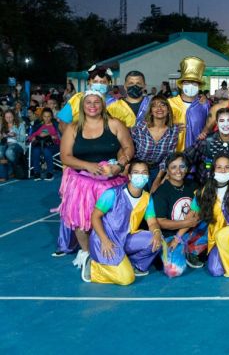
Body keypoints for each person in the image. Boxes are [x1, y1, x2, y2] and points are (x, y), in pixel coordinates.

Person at [58, 90, 135, 269]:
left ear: (102, 105)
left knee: (112, 220)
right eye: (88, 102)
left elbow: (128, 147)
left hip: (111, 182)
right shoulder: (73, 127)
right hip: (81, 183)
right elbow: (65, 157)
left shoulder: (115, 124)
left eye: (96, 102)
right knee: (81, 220)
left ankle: (112, 250)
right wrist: (88, 165)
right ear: (83, 106)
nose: (92, 106)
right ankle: (85, 252)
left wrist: (121, 164)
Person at [81, 159, 163, 284]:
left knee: (158, 240)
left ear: (148, 176)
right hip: (107, 240)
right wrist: (104, 240)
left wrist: (156, 232)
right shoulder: (112, 193)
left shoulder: (147, 198)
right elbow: (95, 217)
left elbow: (152, 222)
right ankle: (93, 267)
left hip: (126, 238)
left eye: (144, 173)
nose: (140, 176)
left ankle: (135, 265)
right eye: (136, 172)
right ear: (129, 176)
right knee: (126, 279)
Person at [152, 153, 207, 276]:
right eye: (173, 167)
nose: (178, 171)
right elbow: (160, 222)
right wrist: (185, 224)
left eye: (182, 166)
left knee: (212, 225)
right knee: (174, 271)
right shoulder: (161, 192)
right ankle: (174, 252)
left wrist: (180, 236)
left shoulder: (193, 185)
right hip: (169, 237)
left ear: (187, 169)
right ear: (167, 170)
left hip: (189, 233)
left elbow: (196, 214)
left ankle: (191, 252)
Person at [190, 155, 229, 277]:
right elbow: (192, 215)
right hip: (217, 238)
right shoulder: (205, 190)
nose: (223, 171)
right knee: (215, 270)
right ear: (213, 169)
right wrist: (178, 237)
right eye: (219, 167)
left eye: (227, 167)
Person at [185, 107, 229, 187]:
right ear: (217, 123)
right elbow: (186, 157)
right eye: (221, 121)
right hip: (205, 187)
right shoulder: (205, 141)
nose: (226, 124)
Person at [57, 65, 136, 129]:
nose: (99, 85)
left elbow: (130, 127)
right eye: (95, 82)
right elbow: (63, 123)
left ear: (109, 83)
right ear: (89, 82)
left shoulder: (117, 104)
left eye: (103, 82)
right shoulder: (77, 99)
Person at [131, 95, 178, 190]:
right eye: (155, 106)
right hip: (137, 169)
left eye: (163, 105)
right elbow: (130, 149)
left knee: (155, 197)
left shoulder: (173, 130)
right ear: (151, 111)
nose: (159, 108)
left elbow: (168, 156)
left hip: (158, 170)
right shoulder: (140, 128)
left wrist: (158, 179)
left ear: (168, 110)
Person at [168, 57, 210, 152]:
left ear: (199, 86)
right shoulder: (170, 104)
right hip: (175, 153)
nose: (191, 86)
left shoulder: (204, 105)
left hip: (197, 152)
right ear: (182, 85)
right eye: (187, 82)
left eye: (194, 83)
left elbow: (209, 126)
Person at [27, 107, 61, 180]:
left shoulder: (56, 125)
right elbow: (31, 137)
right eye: (45, 116)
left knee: (46, 151)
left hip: (53, 145)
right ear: (42, 117)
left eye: (48, 116)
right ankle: (37, 173)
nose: (47, 118)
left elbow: (60, 137)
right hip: (40, 144)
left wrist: (51, 136)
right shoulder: (39, 125)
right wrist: (35, 137)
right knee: (35, 151)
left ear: (51, 117)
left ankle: (50, 172)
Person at [0, 109, 27, 181]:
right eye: (6, 117)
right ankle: (4, 175)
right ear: (4, 118)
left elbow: (23, 138)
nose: (8, 119)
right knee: (0, 152)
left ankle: (10, 168)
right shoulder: (2, 125)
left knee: (9, 152)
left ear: (14, 117)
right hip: (5, 143)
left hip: (17, 144)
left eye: (10, 117)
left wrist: (15, 135)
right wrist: (2, 136)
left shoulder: (20, 124)